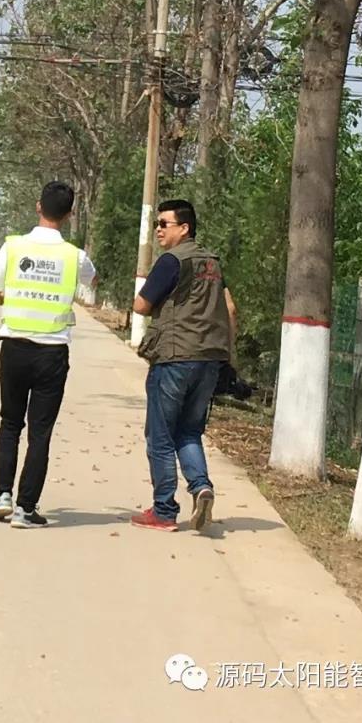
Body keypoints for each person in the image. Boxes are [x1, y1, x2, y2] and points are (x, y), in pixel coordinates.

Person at [0, 180, 97, 530]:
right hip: (52, 353)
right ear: (70, 214)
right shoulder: (75, 257)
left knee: (10, 423)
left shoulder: (13, 247)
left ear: (37, 206)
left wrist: (14, 297)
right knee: (40, 432)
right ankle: (26, 509)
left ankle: (2, 495)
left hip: (14, 346)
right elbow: (92, 283)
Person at [128, 199, 237, 533]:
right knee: (189, 431)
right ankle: (201, 487)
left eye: (165, 224)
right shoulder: (213, 262)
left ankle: (164, 511)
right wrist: (228, 358)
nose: (159, 230)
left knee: (160, 436)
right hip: (210, 360)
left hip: (175, 358)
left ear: (184, 228)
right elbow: (230, 309)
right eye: (157, 224)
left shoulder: (171, 261)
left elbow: (141, 305)